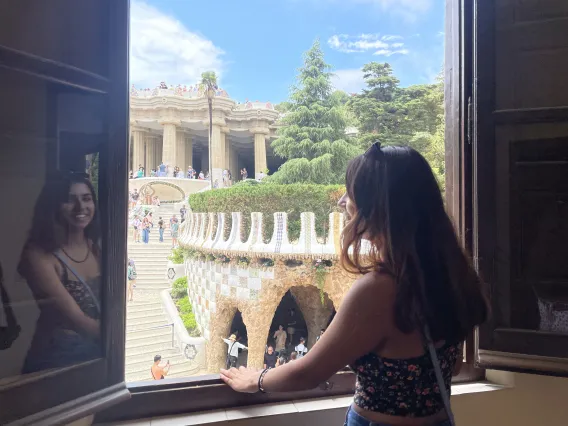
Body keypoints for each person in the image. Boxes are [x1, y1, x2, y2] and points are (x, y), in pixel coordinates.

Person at [220, 144, 489, 426]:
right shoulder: (452, 274)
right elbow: (454, 366)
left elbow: (310, 373)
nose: (343, 201)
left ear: (377, 207)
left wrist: (257, 379)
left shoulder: (378, 291)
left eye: (352, 193)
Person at [18, 172, 102, 373]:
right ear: (54, 206)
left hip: (99, 356)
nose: (81, 207)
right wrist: (120, 334)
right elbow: (80, 322)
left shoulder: (97, 248)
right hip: (58, 361)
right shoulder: (39, 256)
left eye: (86, 198)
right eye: (70, 200)